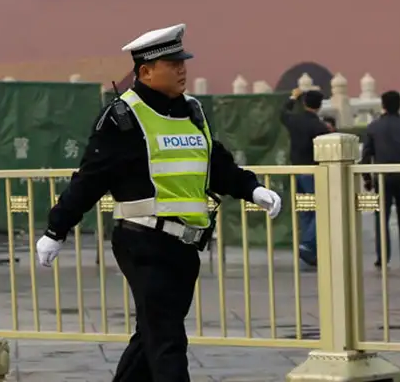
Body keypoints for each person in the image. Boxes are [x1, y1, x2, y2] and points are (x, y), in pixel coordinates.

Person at [35, 24, 282, 382]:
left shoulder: (192, 111)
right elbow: (90, 179)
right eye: (172, 63)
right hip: (143, 242)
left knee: (152, 334)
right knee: (168, 340)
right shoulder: (123, 118)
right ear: (146, 71)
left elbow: (215, 163)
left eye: (183, 62)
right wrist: (56, 229)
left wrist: (252, 189)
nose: (182, 69)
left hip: (185, 245)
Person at [361, 90, 400, 268]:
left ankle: (382, 257)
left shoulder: (373, 127)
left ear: (383, 105)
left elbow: (366, 155)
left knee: (381, 218)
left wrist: (367, 179)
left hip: (382, 177)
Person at [281, 87, 331, 268]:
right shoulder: (320, 127)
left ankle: (310, 250)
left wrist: (292, 97)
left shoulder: (294, 120)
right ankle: (308, 244)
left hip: (296, 170)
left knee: (305, 210)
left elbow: (282, 113)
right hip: (313, 171)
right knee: (322, 208)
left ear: (304, 103)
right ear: (319, 106)